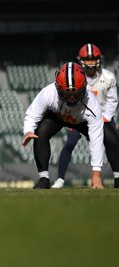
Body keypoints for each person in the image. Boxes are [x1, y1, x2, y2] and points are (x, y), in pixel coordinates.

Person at [22, 62, 107, 189]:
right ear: (58, 88)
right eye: (68, 94)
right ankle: (44, 178)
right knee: (40, 131)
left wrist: (96, 175)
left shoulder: (92, 104)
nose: (72, 98)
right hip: (58, 117)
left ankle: (117, 176)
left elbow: (96, 140)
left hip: (80, 121)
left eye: (75, 93)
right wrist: (28, 131)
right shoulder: (48, 93)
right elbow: (32, 114)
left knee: (109, 136)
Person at [52, 44, 119, 188]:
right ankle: (60, 179)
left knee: (113, 141)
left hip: (102, 116)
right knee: (70, 142)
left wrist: (106, 117)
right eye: (87, 59)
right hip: (79, 116)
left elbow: (112, 101)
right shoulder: (75, 76)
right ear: (80, 60)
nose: (90, 62)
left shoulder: (108, 77)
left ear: (99, 60)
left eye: (93, 59)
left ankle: (117, 176)